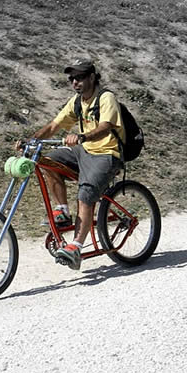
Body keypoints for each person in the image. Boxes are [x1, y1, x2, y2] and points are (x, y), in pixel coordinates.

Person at [23, 59, 125, 270]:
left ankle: (76, 246)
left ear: (91, 77)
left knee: (85, 194)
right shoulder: (77, 101)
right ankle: (62, 211)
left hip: (107, 154)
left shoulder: (106, 98)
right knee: (47, 161)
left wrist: (82, 136)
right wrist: (31, 140)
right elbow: (54, 125)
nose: (74, 82)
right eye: (71, 78)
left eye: (79, 77)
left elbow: (106, 127)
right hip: (84, 151)